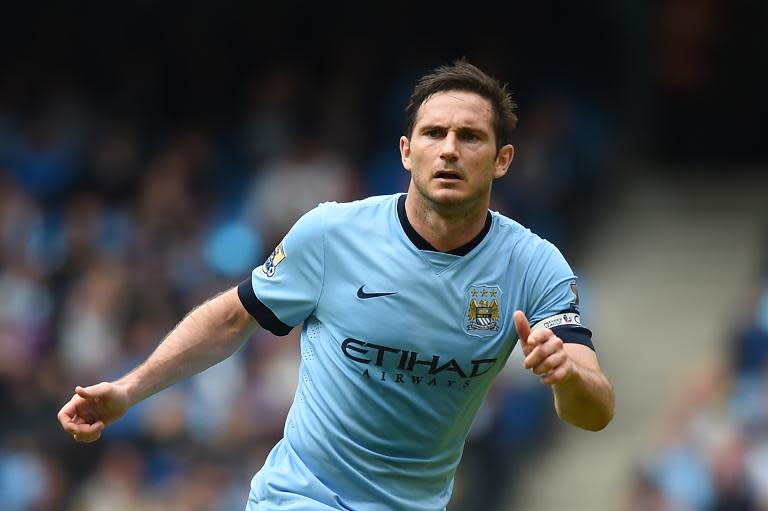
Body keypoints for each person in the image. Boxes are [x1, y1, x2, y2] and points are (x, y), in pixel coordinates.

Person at [58, 59, 615, 511]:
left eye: (470, 137)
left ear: (502, 160)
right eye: (434, 133)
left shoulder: (534, 267)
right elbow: (231, 318)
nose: (449, 149)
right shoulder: (332, 234)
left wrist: (566, 376)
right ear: (406, 151)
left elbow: (594, 410)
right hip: (301, 496)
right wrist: (128, 391)